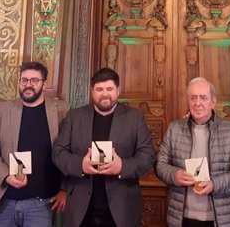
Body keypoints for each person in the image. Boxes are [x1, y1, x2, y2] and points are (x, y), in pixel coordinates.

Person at [52, 67, 155, 227]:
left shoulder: (134, 117)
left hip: (122, 207)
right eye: (99, 89)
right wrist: (81, 165)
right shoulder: (75, 116)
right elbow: (58, 153)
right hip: (81, 207)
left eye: (109, 89)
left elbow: (148, 155)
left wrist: (122, 166)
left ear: (118, 91)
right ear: (91, 91)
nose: (105, 94)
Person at [0, 61, 69, 227]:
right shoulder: (4, 110)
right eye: (24, 80)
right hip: (4, 200)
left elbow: (68, 151)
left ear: (44, 83)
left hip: (42, 203)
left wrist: (65, 188)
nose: (28, 85)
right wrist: (6, 176)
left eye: (34, 80)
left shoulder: (60, 110)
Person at [155, 77, 230, 227]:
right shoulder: (174, 128)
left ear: (213, 102)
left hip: (221, 219)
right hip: (182, 217)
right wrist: (174, 175)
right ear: (188, 101)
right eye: (193, 98)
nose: (197, 103)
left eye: (203, 98)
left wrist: (214, 184)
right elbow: (160, 165)